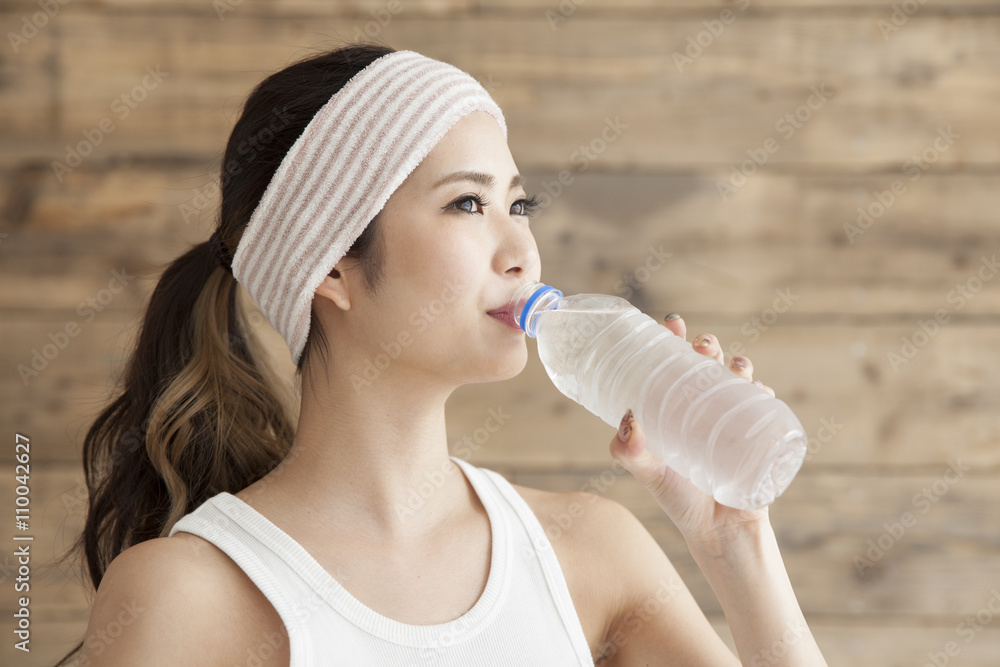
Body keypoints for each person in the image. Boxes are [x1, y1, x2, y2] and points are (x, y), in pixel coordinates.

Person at [58, 44, 826, 666]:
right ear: (331, 267)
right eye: (468, 202)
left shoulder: (589, 552)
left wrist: (738, 543)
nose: (521, 248)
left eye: (517, 204)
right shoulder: (188, 596)